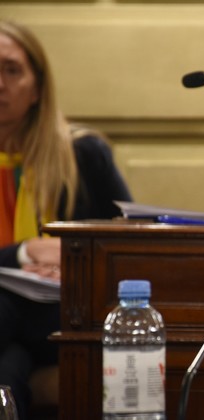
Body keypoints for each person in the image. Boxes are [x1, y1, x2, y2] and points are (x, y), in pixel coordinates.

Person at [0, 20, 132, 417]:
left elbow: (126, 247)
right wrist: (24, 253)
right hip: (12, 328)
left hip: (62, 312)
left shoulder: (82, 155)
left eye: (11, 70)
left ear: (38, 88)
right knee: (8, 364)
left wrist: (72, 260)